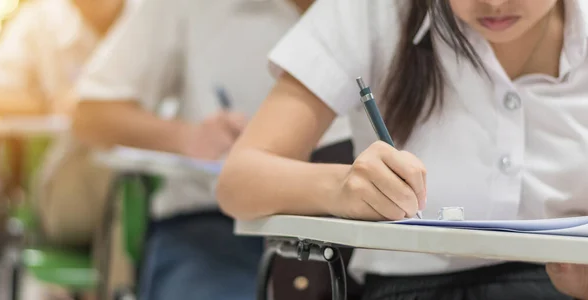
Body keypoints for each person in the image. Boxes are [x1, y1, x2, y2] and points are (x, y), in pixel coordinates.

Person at [216, 0, 588, 299]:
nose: (493, 3)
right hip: (409, 286)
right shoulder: (372, 11)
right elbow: (240, 179)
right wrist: (340, 187)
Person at [72, 0, 351, 299]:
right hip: (213, 227)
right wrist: (186, 137)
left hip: (355, 231)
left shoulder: (379, 12)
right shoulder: (185, 7)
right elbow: (89, 114)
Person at [0, 0, 133, 298]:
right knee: (125, 187)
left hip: (145, 190)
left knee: (131, 191)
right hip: (68, 189)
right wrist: (49, 104)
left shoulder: (151, 17)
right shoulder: (41, 22)